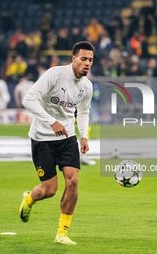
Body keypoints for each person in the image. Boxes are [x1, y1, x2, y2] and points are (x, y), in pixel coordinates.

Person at [19, 41, 94, 245]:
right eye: (83, 59)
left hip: (67, 136)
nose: (87, 64)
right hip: (42, 137)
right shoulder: (54, 74)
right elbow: (29, 100)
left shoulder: (87, 86)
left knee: (73, 181)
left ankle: (62, 233)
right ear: (73, 58)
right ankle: (29, 199)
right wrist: (52, 122)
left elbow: (84, 111)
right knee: (49, 190)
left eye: (90, 60)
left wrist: (84, 136)